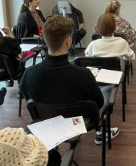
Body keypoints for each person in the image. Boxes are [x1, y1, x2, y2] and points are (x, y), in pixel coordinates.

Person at [20, 15, 119, 145]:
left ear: (45, 39)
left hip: (47, 121)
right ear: (68, 41)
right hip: (80, 122)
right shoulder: (83, 74)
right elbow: (99, 103)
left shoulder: (29, 74)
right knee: (107, 90)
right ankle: (101, 131)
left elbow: (29, 99)